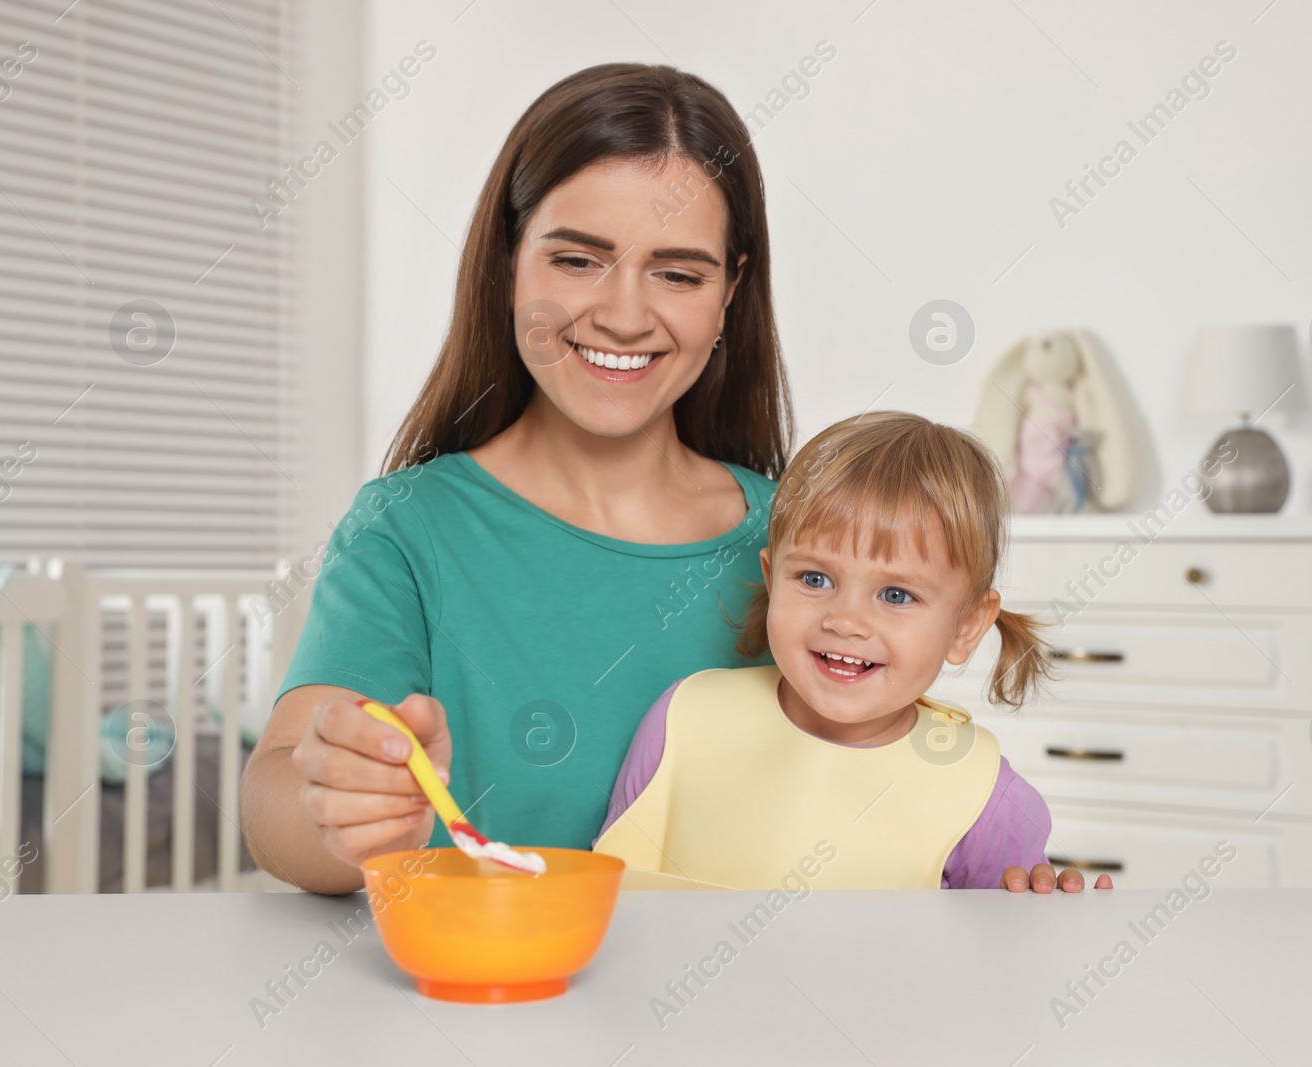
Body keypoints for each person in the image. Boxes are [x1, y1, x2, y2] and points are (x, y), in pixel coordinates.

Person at [241, 63, 790, 894]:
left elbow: (884, 774)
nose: (625, 315)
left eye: (678, 273)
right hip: (485, 1013)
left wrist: (995, 880)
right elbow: (280, 796)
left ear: (730, 293)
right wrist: (341, 805)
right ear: (508, 261)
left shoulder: (798, 540)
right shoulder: (407, 530)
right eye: (577, 259)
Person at [594, 412, 1115, 892]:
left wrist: (1049, 926)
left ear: (966, 625)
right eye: (815, 578)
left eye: (896, 594)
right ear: (772, 580)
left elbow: (1003, 967)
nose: (844, 620)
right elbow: (605, 906)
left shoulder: (985, 798)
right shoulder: (682, 720)